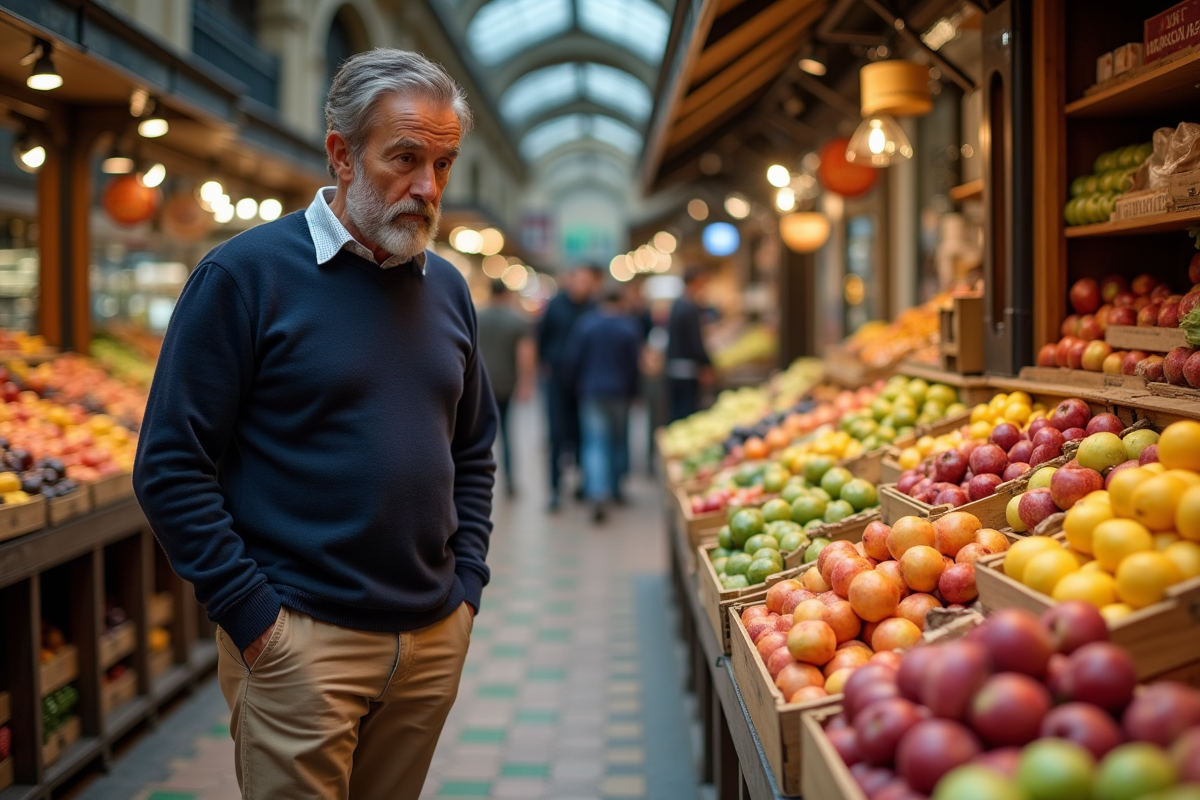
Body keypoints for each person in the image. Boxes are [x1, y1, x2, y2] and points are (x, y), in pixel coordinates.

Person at [133, 50, 495, 800]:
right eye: (404, 158)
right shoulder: (243, 277)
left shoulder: (449, 289)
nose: (427, 187)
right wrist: (256, 621)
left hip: (430, 641)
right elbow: (170, 465)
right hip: (300, 643)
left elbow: (474, 450)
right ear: (341, 153)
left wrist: (465, 593)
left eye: (444, 163)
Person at [563, 285, 643, 523]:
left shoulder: (585, 324)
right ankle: (617, 489)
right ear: (620, 301)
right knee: (619, 441)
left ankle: (597, 492)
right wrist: (635, 392)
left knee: (595, 443)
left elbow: (572, 359)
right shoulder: (629, 327)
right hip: (619, 392)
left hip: (591, 391)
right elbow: (634, 365)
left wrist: (575, 386)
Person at [537, 263, 602, 510]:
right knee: (556, 435)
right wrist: (544, 366)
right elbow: (541, 337)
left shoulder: (594, 307)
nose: (583, 286)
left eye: (588, 281)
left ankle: (583, 485)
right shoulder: (556, 305)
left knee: (583, 434)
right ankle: (555, 489)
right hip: (557, 381)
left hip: (585, 381)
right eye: (579, 280)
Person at [477, 280, 535, 496]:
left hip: (481, 385)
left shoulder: (477, 317)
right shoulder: (517, 321)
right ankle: (509, 481)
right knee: (508, 434)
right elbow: (525, 354)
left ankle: (481, 481)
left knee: (481, 435)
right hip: (507, 385)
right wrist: (526, 382)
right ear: (507, 294)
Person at [666, 267, 714, 422]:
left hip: (675, 366)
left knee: (677, 412)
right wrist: (706, 364)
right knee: (686, 413)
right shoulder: (690, 307)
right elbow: (695, 341)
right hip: (687, 369)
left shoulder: (677, 304)